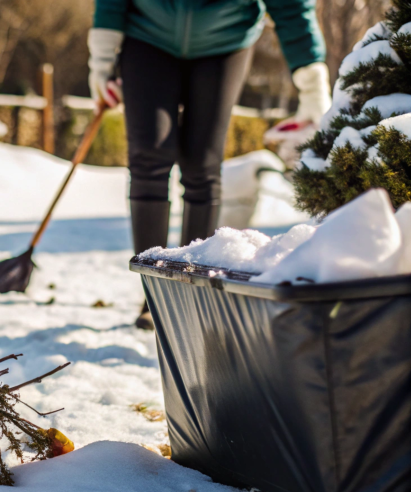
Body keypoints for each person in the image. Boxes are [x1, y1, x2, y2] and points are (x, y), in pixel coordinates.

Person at [87, 1, 331, 330]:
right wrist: (102, 60)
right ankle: (154, 296)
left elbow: (291, 6)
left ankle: (191, 292)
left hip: (224, 42)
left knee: (202, 165)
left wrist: (313, 85)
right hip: (148, 36)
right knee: (149, 158)